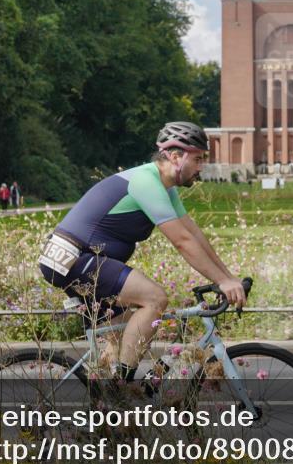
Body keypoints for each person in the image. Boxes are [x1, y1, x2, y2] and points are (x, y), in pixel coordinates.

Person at [38, 121, 247, 384]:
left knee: (121, 333)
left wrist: (228, 278)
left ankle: (107, 406)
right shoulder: (145, 182)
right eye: (198, 159)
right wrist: (223, 281)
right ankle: (121, 388)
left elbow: (193, 234)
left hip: (79, 260)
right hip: (74, 258)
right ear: (174, 157)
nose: (201, 166)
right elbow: (182, 241)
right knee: (155, 299)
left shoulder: (164, 187)